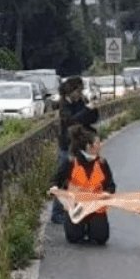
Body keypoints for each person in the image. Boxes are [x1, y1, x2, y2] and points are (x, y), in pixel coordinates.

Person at [50, 126, 116, 245]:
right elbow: (55, 180)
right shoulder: (70, 162)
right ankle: (75, 225)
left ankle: (93, 227)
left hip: (95, 207)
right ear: (88, 146)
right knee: (74, 238)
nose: (100, 145)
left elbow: (111, 185)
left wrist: (107, 194)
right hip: (76, 207)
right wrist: (55, 189)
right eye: (97, 143)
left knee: (100, 239)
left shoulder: (102, 163)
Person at [51, 76, 101, 224]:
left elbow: (91, 119)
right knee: (65, 181)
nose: (80, 94)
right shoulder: (62, 105)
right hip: (67, 147)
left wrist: (93, 108)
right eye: (78, 91)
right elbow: (71, 121)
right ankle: (57, 213)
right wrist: (86, 111)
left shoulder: (81, 102)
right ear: (71, 91)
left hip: (80, 145)